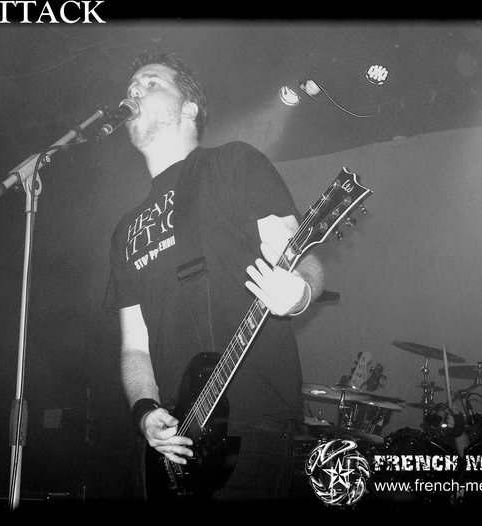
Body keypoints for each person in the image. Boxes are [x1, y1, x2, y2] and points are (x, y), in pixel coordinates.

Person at [104, 51, 325, 502]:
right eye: (131, 88)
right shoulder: (126, 229)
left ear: (189, 107)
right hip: (171, 446)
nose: (135, 91)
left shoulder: (234, 163)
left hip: (251, 423)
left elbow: (301, 258)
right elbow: (134, 346)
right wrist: (145, 411)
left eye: (151, 83)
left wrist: (299, 293)